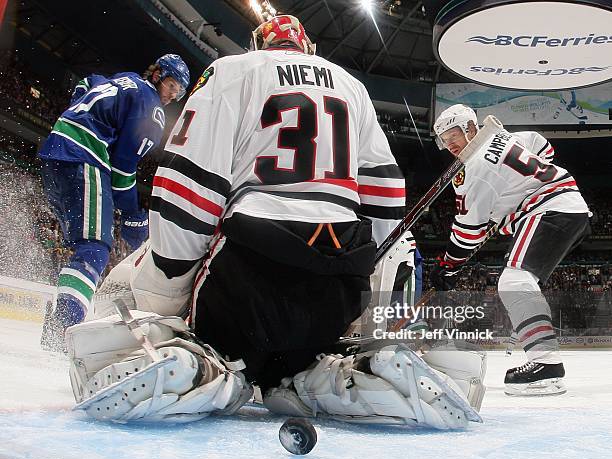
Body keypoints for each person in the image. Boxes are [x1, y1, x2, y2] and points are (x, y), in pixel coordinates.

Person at [66, 16, 486, 428]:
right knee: (294, 375)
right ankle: (359, 377)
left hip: (251, 265)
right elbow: (385, 192)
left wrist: (168, 283)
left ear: (258, 45)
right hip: (337, 278)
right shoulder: (351, 86)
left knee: (219, 348)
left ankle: (192, 366)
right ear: (308, 48)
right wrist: (363, 276)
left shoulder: (233, 70)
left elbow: (189, 182)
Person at [430, 104, 591, 396]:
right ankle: (543, 357)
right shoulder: (508, 136)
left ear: (470, 128)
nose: (449, 144)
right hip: (566, 206)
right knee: (520, 282)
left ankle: (546, 365)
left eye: (453, 134)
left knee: (514, 281)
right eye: (443, 140)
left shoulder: (474, 169)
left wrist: (448, 265)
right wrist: (517, 191)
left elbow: (468, 232)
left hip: (550, 209)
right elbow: (543, 147)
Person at [39, 54, 190, 350]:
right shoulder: (151, 108)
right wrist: (134, 214)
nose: (173, 95)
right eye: (172, 84)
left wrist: (78, 113)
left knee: (81, 244)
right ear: (157, 74)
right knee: (94, 247)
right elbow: (122, 171)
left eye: (179, 91)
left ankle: (61, 321)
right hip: (83, 158)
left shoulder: (124, 78)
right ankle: (62, 328)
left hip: (54, 155)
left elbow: (88, 82)